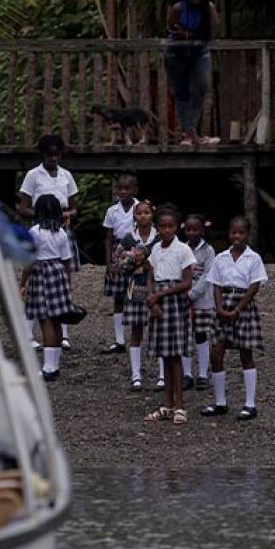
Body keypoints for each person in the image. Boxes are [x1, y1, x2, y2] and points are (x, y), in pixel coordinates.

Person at [201, 216, 266, 420]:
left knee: (245, 353)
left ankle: (250, 403)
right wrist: (220, 307)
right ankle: (220, 402)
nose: (236, 236)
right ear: (229, 233)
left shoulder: (253, 258)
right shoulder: (221, 257)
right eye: (233, 232)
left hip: (243, 305)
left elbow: (254, 286)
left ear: (247, 235)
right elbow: (216, 285)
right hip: (223, 305)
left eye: (241, 233)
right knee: (216, 352)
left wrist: (237, 309)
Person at [19, 134, 79, 350]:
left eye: (56, 154)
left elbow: (74, 206)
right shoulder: (33, 175)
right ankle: (27, 332)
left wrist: (65, 214)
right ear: (42, 154)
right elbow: (22, 206)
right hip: (40, 227)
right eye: (49, 154)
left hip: (62, 227)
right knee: (35, 282)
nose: (53, 158)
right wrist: (42, 213)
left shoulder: (66, 175)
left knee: (64, 280)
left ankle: (64, 331)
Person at [143, 206, 196, 425]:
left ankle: (180, 405)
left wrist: (160, 295)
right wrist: (151, 299)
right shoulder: (155, 250)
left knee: (176, 355)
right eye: (162, 226)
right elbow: (150, 276)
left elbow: (186, 283)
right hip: (158, 302)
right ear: (157, 228)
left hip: (175, 303)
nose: (166, 230)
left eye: (171, 226)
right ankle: (167, 403)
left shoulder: (183, 250)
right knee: (164, 355)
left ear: (177, 227)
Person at [20, 194, 80, 382]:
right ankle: (54, 363)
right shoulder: (61, 233)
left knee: (45, 320)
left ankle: (48, 367)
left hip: (41, 273)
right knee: (57, 319)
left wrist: (23, 282)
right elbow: (67, 261)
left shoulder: (35, 232)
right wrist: (67, 284)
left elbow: (29, 261)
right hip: (59, 272)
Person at [165, 0, 222, 147]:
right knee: (181, 92)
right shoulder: (178, 8)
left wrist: (188, 34)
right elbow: (170, 28)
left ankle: (189, 131)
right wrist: (184, 34)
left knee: (201, 88)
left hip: (199, 52)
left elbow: (213, 30)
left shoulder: (208, 8)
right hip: (176, 53)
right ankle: (188, 134)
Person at [121, 201, 160, 390]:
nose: (143, 216)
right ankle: (136, 374)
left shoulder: (160, 238)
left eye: (147, 212)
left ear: (152, 215)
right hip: (135, 287)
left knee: (159, 328)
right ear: (134, 216)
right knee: (136, 330)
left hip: (157, 287)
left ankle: (162, 374)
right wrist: (134, 264)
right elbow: (118, 263)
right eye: (139, 213)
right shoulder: (128, 238)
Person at [102, 173, 139, 354]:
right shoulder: (112, 211)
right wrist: (109, 263)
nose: (123, 192)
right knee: (118, 296)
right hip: (117, 251)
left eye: (127, 188)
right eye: (120, 188)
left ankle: (135, 340)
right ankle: (119, 339)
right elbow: (108, 238)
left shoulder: (140, 208)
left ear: (134, 190)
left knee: (135, 294)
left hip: (136, 251)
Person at [183, 214, 217, 390]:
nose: (192, 233)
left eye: (195, 229)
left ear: (202, 230)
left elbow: (208, 274)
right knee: (185, 335)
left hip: (202, 299)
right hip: (184, 298)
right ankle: (187, 374)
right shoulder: (182, 249)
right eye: (188, 229)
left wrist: (193, 293)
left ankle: (203, 373)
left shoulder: (209, 250)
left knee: (201, 335)